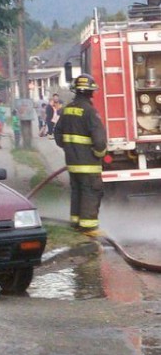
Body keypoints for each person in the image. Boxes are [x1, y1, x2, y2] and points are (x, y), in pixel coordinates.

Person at [54, 74, 107, 237]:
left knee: (77, 191)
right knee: (91, 191)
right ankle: (89, 228)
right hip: (88, 164)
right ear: (90, 93)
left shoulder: (66, 110)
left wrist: (71, 149)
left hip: (72, 163)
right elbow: (99, 142)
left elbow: (58, 136)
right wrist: (99, 154)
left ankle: (76, 224)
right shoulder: (90, 112)